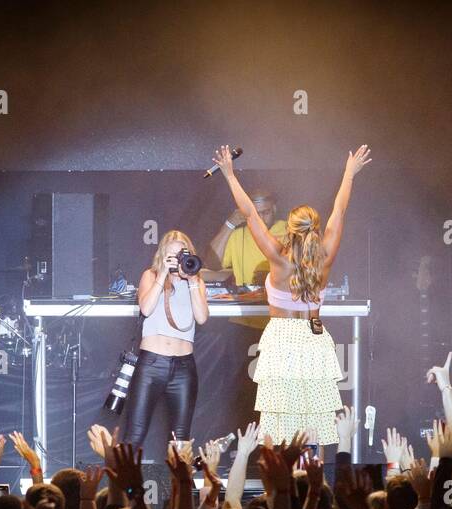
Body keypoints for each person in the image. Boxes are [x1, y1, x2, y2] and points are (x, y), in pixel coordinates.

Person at [211, 143, 372, 445]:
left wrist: (229, 175)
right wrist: (350, 174)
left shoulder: (278, 256)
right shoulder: (325, 256)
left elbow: (249, 214)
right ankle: (314, 483)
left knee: (278, 423)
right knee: (315, 424)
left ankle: (281, 484)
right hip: (313, 339)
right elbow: (340, 210)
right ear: (315, 228)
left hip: (282, 339)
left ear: (291, 230)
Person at [122, 230, 210, 448]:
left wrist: (190, 280)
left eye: (182, 254)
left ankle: (179, 482)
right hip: (152, 364)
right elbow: (146, 308)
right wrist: (162, 275)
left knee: (181, 440)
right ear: (162, 255)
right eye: (172, 254)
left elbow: (201, 317)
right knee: (135, 434)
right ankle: (125, 483)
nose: (177, 259)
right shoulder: (150, 276)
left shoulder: (196, 281)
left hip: (183, 366)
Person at [203, 189, 286, 287]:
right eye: (256, 214)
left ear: (274, 209)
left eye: (266, 212)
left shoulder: (289, 230)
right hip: (248, 299)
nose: (261, 219)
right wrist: (229, 224)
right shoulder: (237, 235)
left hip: (281, 298)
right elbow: (211, 265)